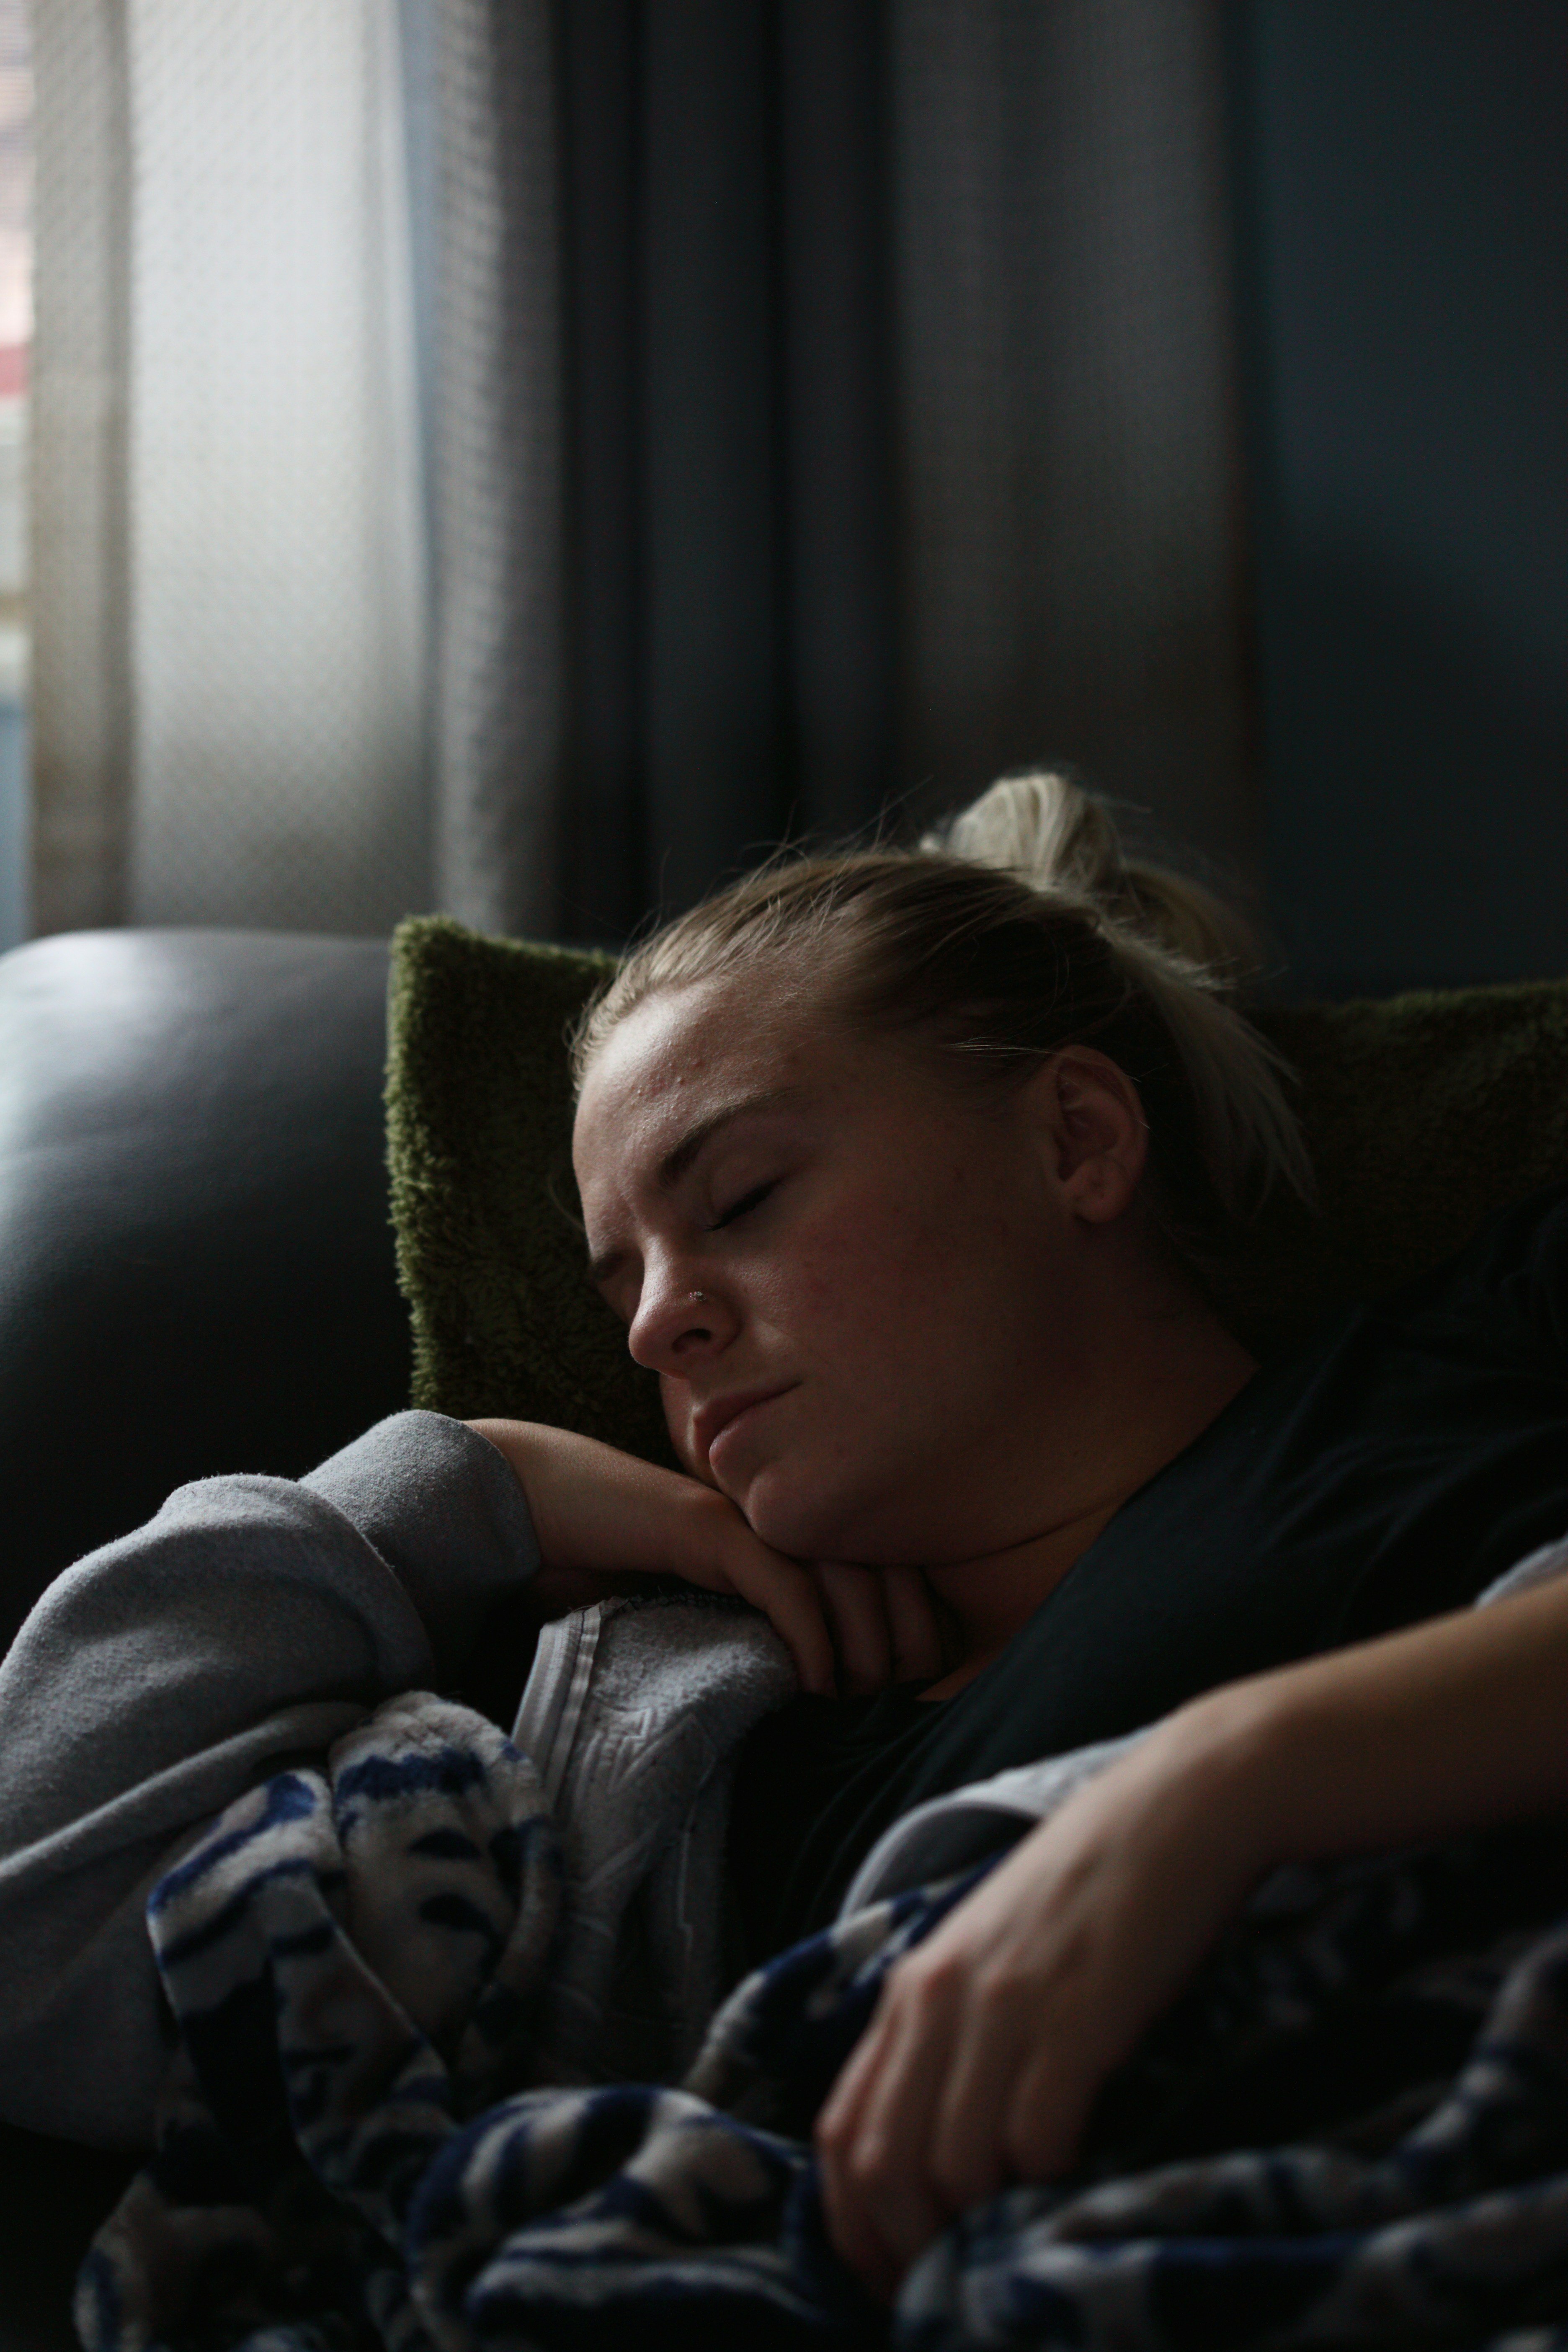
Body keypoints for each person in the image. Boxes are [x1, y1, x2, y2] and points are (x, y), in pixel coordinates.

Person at [3, 770, 1568, 2309]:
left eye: (740, 1197)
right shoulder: (686, 1753)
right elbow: (37, 1916)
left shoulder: (1456, 1369)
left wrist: (1227, 1787)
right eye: (621, 1286)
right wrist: (470, 1486)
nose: (658, 1327)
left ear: (1077, 1140)